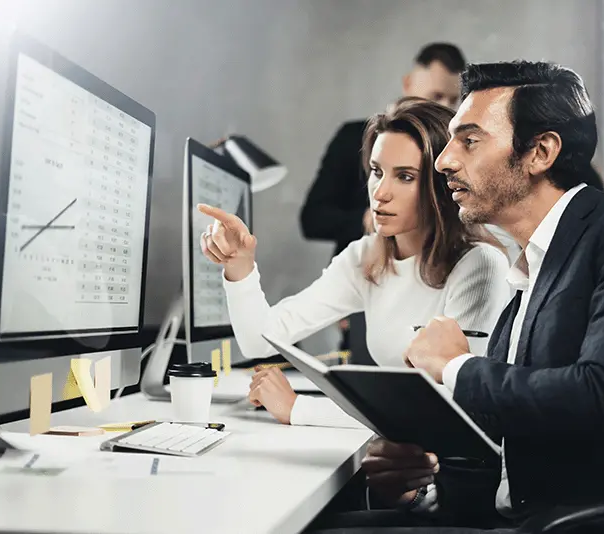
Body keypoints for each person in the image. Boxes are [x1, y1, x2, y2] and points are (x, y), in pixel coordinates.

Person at [317, 61, 604, 534]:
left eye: (469, 141)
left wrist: (455, 367)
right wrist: (422, 493)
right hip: (533, 518)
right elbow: (517, 462)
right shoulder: (529, 271)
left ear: (540, 152)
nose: (444, 161)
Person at [198, 97, 511, 429]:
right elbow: (259, 340)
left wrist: (298, 409)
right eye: (377, 172)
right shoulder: (367, 256)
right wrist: (239, 266)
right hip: (403, 449)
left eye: (405, 177)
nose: (380, 192)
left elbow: (453, 409)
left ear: (442, 183)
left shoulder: (481, 266)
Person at [299, 43, 467, 360]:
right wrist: (372, 219)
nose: (445, 108)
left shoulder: (452, 156)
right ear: (408, 84)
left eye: (453, 100)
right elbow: (313, 218)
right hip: (368, 294)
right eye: (436, 96)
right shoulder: (353, 138)